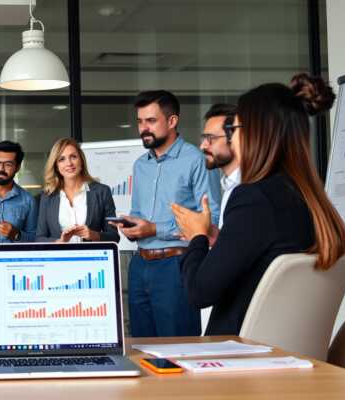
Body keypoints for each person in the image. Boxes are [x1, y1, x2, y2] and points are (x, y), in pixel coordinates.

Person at [171, 73, 345, 335]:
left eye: (234, 129)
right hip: (291, 358)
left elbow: (198, 292)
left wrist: (197, 236)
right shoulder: (308, 199)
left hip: (239, 357)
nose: (231, 139)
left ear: (257, 133)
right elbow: (263, 255)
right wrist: (220, 238)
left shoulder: (253, 199)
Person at [110, 90, 221, 337]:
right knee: (141, 348)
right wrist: (132, 227)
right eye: (140, 121)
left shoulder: (196, 160)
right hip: (140, 264)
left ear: (172, 121)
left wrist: (155, 229)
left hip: (176, 265)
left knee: (178, 348)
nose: (143, 128)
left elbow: (209, 218)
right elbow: (139, 212)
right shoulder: (141, 165)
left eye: (151, 121)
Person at [36, 138, 119, 243]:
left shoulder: (102, 192)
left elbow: (114, 237)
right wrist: (59, 242)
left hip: (93, 258)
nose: (69, 163)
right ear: (56, 165)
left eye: (73, 157)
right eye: (62, 159)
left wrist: (93, 235)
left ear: (81, 160)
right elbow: (39, 238)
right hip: (60, 258)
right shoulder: (47, 196)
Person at [198, 103, 240, 242]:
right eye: (204, 138)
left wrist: (196, 238)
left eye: (211, 138)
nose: (203, 146)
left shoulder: (249, 190)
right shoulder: (229, 184)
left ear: (235, 138)